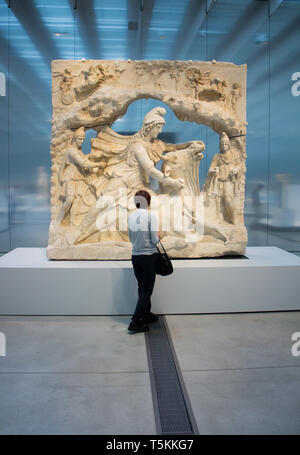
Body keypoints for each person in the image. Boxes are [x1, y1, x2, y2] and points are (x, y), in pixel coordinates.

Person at [127, 189, 160, 334]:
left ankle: (146, 314)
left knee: (142, 287)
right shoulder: (151, 217)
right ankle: (135, 322)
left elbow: (130, 239)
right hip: (148, 257)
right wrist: (159, 237)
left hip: (135, 256)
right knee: (147, 290)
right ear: (149, 202)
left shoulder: (130, 217)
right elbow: (155, 240)